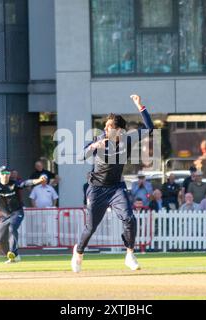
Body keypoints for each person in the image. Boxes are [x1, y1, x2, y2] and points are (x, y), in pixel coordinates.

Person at [71, 94, 154, 273]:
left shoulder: (127, 139)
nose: (107, 129)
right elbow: (78, 156)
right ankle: (78, 252)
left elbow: (150, 128)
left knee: (129, 219)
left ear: (120, 131)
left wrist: (140, 106)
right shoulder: (99, 140)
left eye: (111, 126)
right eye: (106, 126)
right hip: (97, 188)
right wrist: (93, 147)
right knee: (91, 226)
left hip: (116, 187)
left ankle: (130, 254)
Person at [0, 167, 45, 263]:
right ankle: (12, 257)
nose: (5, 174)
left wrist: (39, 180)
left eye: (7, 172)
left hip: (17, 212)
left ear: (9, 174)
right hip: (5, 215)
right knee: (1, 240)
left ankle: (13, 253)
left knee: (12, 228)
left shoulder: (14, 184)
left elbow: (26, 183)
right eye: (3, 173)